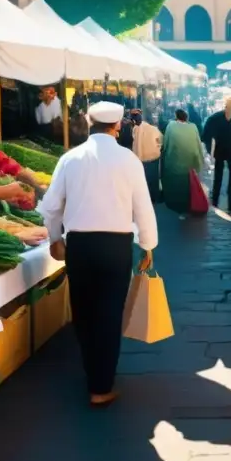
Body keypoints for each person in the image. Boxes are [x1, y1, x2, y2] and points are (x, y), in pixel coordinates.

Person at [38, 101, 158, 407]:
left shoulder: (70, 158)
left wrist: (55, 238)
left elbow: (51, 207)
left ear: (88, 123)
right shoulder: (128, 159)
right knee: (108, 312)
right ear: (118, 126)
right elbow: (143, 207)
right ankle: (101, 383)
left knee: (83, 311)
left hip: (80, 246)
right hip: (116, 246)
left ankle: (93, 371)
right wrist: (148, 245)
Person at [161, 108, 204, 215]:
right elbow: (198, 143)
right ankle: (188, 203)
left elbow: (166, 143)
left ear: (176, 116)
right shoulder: (193, 127)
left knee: (177, 183)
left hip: (175, 161)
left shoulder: (171, 126)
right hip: (190, 161)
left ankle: (177, 204)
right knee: (187, 183)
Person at [131, 109, 163, 201]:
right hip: (152, 158)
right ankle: (154, 197)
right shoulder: (154, 129)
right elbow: (160, 141)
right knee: (153, 179)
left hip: (139, 159)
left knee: (142, 180)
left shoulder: (135, 129)